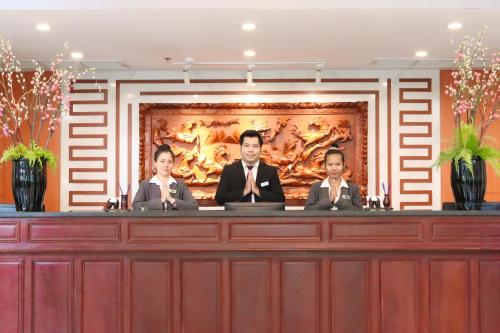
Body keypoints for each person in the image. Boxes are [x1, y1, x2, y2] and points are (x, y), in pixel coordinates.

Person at [215, 130, 285, 205]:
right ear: (241, 148)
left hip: (263, 216)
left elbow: (280, 198)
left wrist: (257, 191)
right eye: (246, 145)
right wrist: (244, 192)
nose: (251, 150)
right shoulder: (229, 170)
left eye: (255, 146)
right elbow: (220, 199)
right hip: (236, 216)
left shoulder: (270, 171)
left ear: (260, 148)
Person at [132, 144, 198, 211]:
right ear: (155, 163)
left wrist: (172, 200)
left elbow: (194, 207)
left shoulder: (180, 185)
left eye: (169, 162)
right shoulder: (145, 185)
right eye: (162, 161)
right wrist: (160, 201)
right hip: (152, 222)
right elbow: (136, 206)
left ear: (173, 164)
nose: (166, 165)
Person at [304, 144, 362, 210]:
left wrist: (338, 201)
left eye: (338, 164)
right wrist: (329, 201)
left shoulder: (353, 188)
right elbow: (308, 210)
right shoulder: (316, 187)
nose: (334, 168)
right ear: (324, 165)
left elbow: (359, 211)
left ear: (343, 165)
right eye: (330, 164)